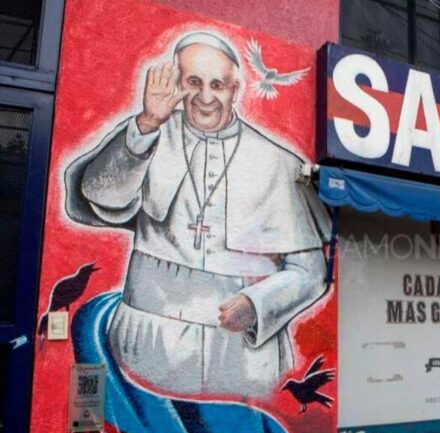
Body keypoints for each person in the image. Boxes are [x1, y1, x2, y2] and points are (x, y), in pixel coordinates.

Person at [64, 31, 331, 397]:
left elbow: (311, 272)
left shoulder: (277, 162)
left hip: (242, 355)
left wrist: (258, 304)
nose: (205, 97)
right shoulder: (147, 134)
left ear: (235, 89)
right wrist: (146, 125)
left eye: (217, 85)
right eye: (193, 82)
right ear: (177, 84)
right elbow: (100, 196)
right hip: (146, 341)